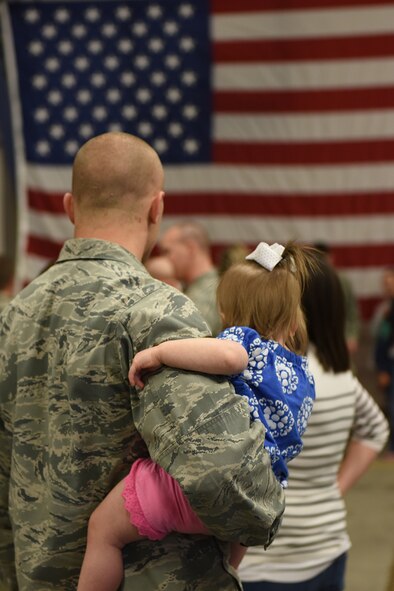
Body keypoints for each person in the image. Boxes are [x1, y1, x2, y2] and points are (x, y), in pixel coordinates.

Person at [0, 132, 285, 591]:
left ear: (71, 207)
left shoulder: (13, 316)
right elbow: (221, 474)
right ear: (157, 208)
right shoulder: (155, 310)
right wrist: (264, 512)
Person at [76, 241, 316, 591]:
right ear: (293, 322)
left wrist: (159, 352)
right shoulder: (304, 376)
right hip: (256, 500)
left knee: (103, 530)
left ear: (224, 309)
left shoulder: (242, 342)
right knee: (229, 557)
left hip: (189, 489)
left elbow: (230, 359)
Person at [239, 251, 389, 591]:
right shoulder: (342, 377)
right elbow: (376, 429)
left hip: (264, 560)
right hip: (328, 545)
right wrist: (335, 488)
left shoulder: (263, 378)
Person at [160, 220, 222, 335]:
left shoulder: (204, 294)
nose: (166, 259)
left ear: (190, 248)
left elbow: (189, 338)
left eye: (168, 251)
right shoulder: (206, 286)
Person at [313, 242, 360, 356]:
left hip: (340, 336)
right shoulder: (308, 281)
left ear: (331, 258)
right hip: (314, 339)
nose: (321, 262)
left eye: (324, 258)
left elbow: (351, 311)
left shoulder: (342, 281)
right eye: (318, 259)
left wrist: (352, 335)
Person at [373, 266, 394, 458]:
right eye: (384, 284)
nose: (387, 287)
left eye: (390, 283)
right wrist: (383, 369)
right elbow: (380, 342)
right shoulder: (384, 311)